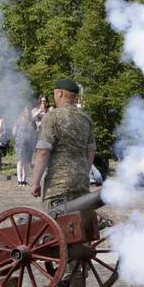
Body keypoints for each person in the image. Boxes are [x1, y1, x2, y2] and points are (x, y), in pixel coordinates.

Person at [31, 79, 95, 210]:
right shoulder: (86, 119)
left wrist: (35, 183)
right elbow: (90, 152)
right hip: (81, 183)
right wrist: (83, 174)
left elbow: (43, 152)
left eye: (54, 94)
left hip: (58, 186)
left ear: (59, 93)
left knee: (58, 225)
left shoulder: (51, 117)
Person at [13, 106, 36, 186]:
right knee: (20, 161)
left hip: (29, 143)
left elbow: (34, 132)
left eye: (28, 112)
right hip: (20, 143)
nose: (27, 114)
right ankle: (19, 180)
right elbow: (14, 132)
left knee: (26, 162)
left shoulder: (32, 121)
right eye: (25, 112)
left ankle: (24, 180)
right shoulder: (18, 121)